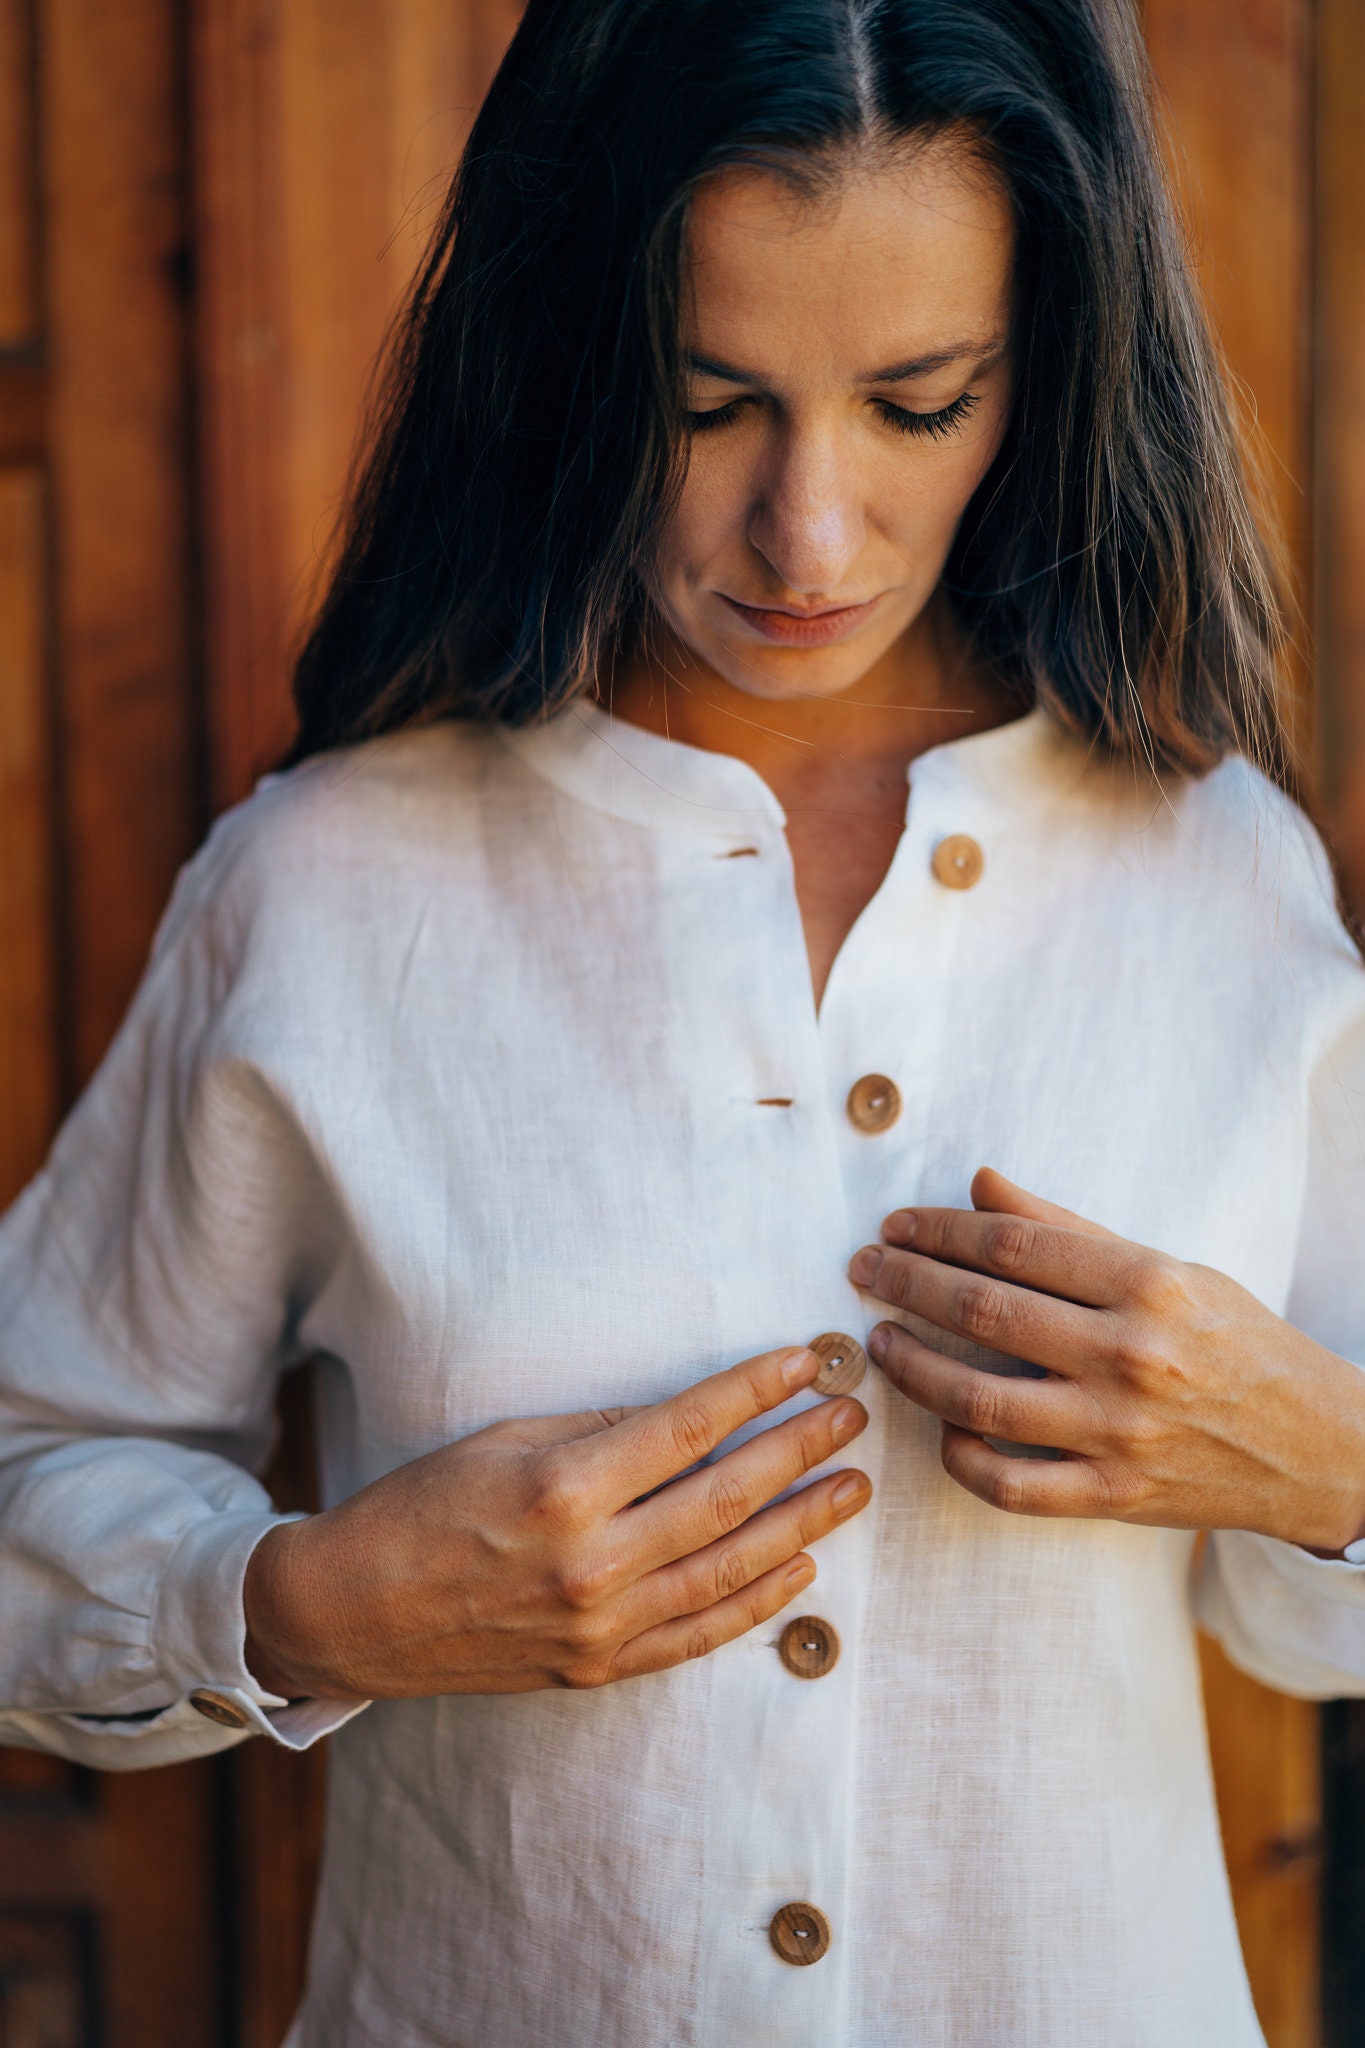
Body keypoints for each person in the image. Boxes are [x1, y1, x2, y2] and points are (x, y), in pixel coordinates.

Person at [2, 0, 1364, 2041]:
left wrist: (1323, 1460)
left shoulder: (1224, 883)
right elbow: (33, 1455)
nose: (803, 538)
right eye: (702, 398)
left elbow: (1301, 1614)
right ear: (565, 358)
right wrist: (313, 1606)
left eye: (917, 404)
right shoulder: (326, 886)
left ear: (1047, 377)